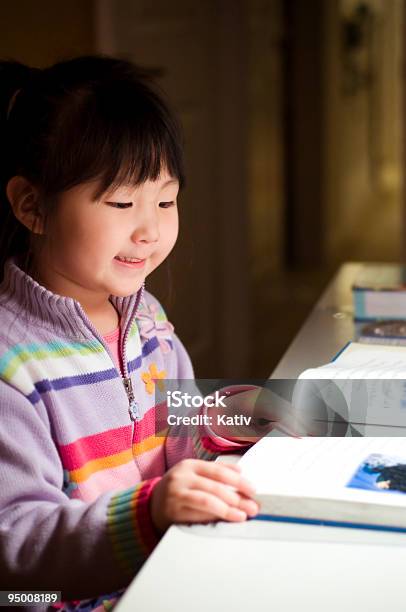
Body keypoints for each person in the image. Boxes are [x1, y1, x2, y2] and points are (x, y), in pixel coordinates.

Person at [0, 56, 265, 611]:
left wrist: (245, 427)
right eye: (122, 203)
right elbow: (16, 547)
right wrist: (149, 512)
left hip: (157, 576)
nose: (150, 230)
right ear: (32, 206)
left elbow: (182, 426)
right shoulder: (13, 365)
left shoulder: (144, 317)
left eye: (166, 201)